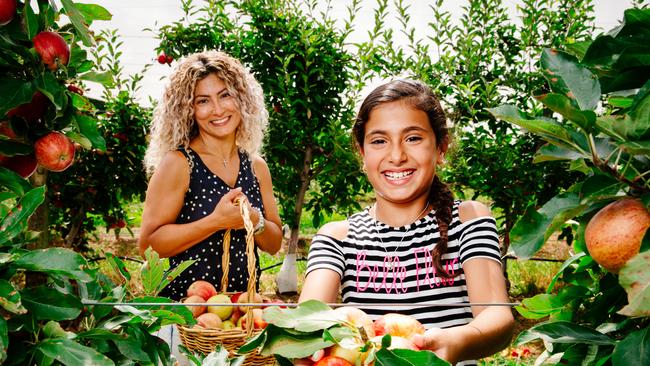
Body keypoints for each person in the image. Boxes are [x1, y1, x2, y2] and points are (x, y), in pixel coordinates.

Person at [299, 79, 514, 365]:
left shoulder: (468, 219)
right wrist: (302, 343)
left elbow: (496, 315)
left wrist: (457, 342)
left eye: (413, 138)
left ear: (440, 148)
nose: (397, 156)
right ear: (362, 154)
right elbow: (307, 319)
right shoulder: (337, 238)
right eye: (379, 141)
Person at [139, 50, 283, 299]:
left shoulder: (256, 167)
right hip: (187, 317)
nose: (217, 110)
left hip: (241, 316)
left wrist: (253, 220)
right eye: (202, 101)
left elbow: (274, 244)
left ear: (242, 99)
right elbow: (148, 246)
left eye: (225, 95)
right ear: (188, 110)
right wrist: (216, 221)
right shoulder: (180, 163)